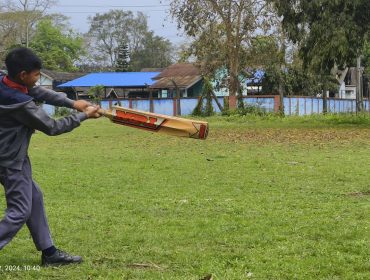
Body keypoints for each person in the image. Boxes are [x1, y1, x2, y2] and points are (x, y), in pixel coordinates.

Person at [0, 47, 100, 266]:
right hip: (10, 160)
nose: (38, 79)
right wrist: (83, 116)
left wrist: (73, 103)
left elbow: (38, 92)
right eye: (36, 75)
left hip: (8, 155)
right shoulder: (19, 102)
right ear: (23, 75)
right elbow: (53, 127)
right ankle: (50, 253)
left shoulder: (5, 80)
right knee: (19, 211)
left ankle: (50, 253)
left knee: (34, 197)